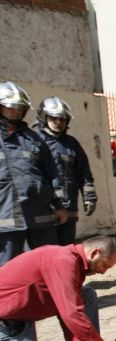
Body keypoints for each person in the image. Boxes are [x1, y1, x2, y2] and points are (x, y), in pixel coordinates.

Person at [0, 236, 116, 341]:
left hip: (23, 313)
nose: (103, 272)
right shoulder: (63, 261)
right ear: (94, 253)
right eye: (105, 265)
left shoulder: (73, 262)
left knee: (86, 294)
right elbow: (70, 313)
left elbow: (65, 308)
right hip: (7, 319)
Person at [0, 81, 67, 266]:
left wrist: (59, 205)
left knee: (50, 262)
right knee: (9, 268)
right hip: (6, 216)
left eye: (20, 108)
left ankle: (51, 295)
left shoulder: (33, 138)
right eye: (11, 107)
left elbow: (51, 174)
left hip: (39, 213)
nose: (16, 111)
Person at [34, 97, 98, 246]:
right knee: (46, 251)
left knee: (66, 248)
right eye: (54, 118)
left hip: (69, 206)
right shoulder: (34, 140)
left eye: (62, 119)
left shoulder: (72, 143)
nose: (58, 122)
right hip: (43, 208)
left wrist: (89, 197)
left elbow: (84, 172)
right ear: (44, 117)